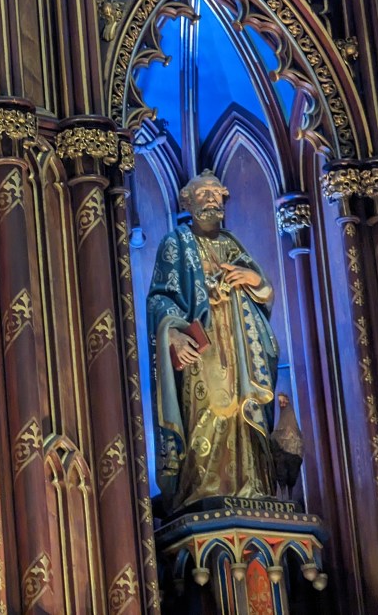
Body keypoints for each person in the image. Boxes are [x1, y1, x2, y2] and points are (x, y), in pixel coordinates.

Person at [147, 170, 279, 512]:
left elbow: (265, 294)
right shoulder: (176, 243)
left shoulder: (234, 245)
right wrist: (173, 334)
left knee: (245, 412)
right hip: (204, 347)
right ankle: (203, 491)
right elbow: (159, 298)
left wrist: (253, 280)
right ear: (187, 202)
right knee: (210, 413)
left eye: (216, 192)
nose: (211, 198)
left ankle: (252, 487)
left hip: (241, 349)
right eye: (203, 193)